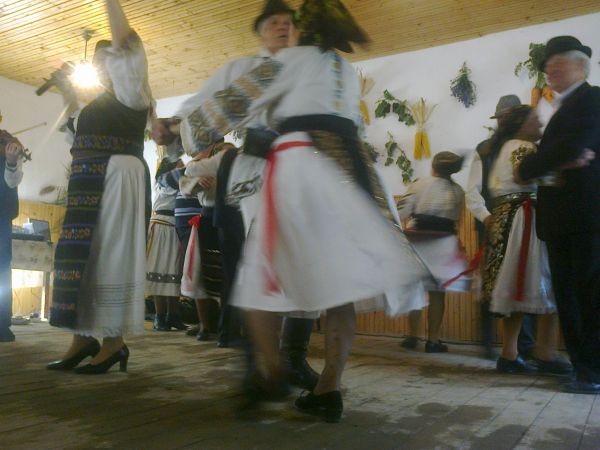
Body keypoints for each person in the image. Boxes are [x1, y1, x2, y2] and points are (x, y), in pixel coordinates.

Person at [159, 0, 430, 422]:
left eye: (291, 23)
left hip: (302, 166)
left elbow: (226, 107)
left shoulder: (286, 62)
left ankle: (272, 372)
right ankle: (328, 389)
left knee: (259, 274)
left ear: (302, 30)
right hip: (353, 174)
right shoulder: (343, 68)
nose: (285, 29)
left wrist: (179, 130)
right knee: (341, 287)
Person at [47, 0, 153, 374]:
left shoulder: (133, 92)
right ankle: (82, 337)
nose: (104, 66)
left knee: (111, 254)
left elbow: (128, 46)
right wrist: (66, 91)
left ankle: (113, 341)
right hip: (89, 182)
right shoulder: (99, 104)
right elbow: (74, 130)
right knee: (85, 258)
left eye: (108, 59)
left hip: (117, 177)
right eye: (98, 62)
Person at [517, 36, 600, 394]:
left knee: (590, 294)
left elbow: (576, 146)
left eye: (557, 65)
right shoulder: (558, 110)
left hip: (587, 215)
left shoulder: (593, 99)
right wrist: (554, 161)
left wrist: (539, 162)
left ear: (581, 66)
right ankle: (582, 367)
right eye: (547, 68)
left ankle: (593, 370)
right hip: (561, 219)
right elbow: (535, 165)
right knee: (567, 295)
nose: (549, 72)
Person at [483, 105, 571, 376]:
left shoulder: (505, 146)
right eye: (535, 119)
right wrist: (569, 165)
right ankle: (545, 352)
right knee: (544, 279)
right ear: (521, 124)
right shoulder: (523, 146)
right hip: (524, 217)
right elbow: (528, 176)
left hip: (507, 216)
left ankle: (510, 354)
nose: (540, 123)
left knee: (516, 285)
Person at [466, 95, 536, 360]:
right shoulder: (484, 149)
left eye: (508, 116)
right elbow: (472, 190)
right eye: (501, 117)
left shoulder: (528, 146)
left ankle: (524, 344)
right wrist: (486, 217)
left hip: (524, 221)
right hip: (492, 222)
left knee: (524, 278)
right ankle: (488, 343)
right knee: (493, 281)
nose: (503, 121)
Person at [398, 151, 470, 353]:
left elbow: (402, 211)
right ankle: (433, 340)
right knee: (438, 293)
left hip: (418, 240)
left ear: (433, 167)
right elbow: (458, 220)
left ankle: (413, 336)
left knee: (416, 289)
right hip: (444, 243)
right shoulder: (458, 191)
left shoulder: (419, 184)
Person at [146, 155, 185, 331]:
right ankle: (159, 316)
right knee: (160, 269)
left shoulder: (176, 180)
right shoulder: (164, 180)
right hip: (162, 225)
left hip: (175, 225)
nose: (182, 168)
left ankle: (173, 315)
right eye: (179, 166)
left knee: (174, 270)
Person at [0, 132, 25, 342]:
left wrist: (10, 161)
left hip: (1, 215)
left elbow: (13, 181)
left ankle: (1, 324)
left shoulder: (9, 142)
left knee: (1, 271)